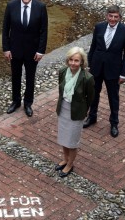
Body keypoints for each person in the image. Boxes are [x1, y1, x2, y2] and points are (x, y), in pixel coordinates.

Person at [83, 5, 125, 138]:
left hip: (113, 70)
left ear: (120, 18)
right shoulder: (99, 27)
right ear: (106, 16)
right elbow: (93, 47)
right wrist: (89, 65)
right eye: (110, 16)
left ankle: (114, 123)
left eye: (116, 17)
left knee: (113, 97)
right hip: (96, 68)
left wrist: (123, 74)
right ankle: (92, 117)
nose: (112, 19)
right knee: (93, 94)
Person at [2, 0, 48, 117]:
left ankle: (28, 103)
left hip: (32, 52)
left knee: (30, 77)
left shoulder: (40, 7)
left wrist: (40, 50)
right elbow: (5, 29)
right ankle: (15, 101)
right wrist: (6, 48)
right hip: (15, 50)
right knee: (15, 77)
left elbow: (43, 31)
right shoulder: (11, 6)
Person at [55, 47, 95, 178]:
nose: (73, 63)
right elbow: (61, 90)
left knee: (72, 141)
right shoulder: (62, 71)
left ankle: (70, 164)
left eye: (76, 60)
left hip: (76, 112)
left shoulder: (87, 78)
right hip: (64, 109)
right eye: (71, 60)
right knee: (63, 137)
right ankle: (65, 159)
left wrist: (84, 110)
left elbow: (91, 97)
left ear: (82, 62)